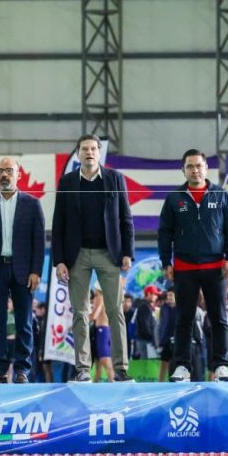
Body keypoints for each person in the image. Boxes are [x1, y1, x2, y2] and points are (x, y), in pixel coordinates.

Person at [51, 135, 135, 383]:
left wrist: (127, 252)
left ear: (100, 153)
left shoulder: (114, 179)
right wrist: (60, 261)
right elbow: (59, 224)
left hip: (109, 255)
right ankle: (83, 370)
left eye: (93, 149)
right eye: (84, 149)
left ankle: (121, 369)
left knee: (115, 311)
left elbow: (126, 219)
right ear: (78, 154)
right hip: (77, 256)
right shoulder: (67, 182)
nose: (89, 152)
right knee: (79, 313)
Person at [158, 149, 228, 382]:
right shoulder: (174, 198)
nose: (195, 170)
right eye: (190, 166)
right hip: (184, 268)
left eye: (199, 166)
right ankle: (182, 367)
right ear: (183, 170)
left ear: (206, 168)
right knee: (184, 319)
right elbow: (164, 233)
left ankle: (221, 366)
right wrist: (166, 262)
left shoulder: (221, 195)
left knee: (219, 318)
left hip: (216, 267)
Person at [0, 158, 45, 384]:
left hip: (24, 271)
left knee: (24, 322)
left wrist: (36, 271)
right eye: (1, 171)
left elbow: (39, 241)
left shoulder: (33, 204)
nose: (5, 175)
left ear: (18, 175)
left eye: (9, 171)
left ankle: (23, 369)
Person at [88, 289, 114, 383]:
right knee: (98, 364)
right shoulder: (107, 297)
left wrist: (78, 322)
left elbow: (94, 316)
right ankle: (94, 387)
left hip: (102, 330)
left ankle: (114, 385)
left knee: (105, 359)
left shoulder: (100, 297)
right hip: (104, 330)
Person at [130, 286, 160, 360]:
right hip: (145, 341)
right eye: (155, 294)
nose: (156, 297)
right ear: (149, 294)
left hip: (144, 339)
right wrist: (152, 339)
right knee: (146, 363)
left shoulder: (145, 305)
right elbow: (145, 325)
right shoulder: (145, 306)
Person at [156, 290, 177, 382]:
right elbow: (161, 324)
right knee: (164, 362)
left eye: (171, 295)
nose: (169, 297)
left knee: (176, 362)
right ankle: (160, 382)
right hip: (165, 339)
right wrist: (161, 340)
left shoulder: (180, 307)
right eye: (168, 295)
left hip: (177, 339)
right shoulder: (163, 308)